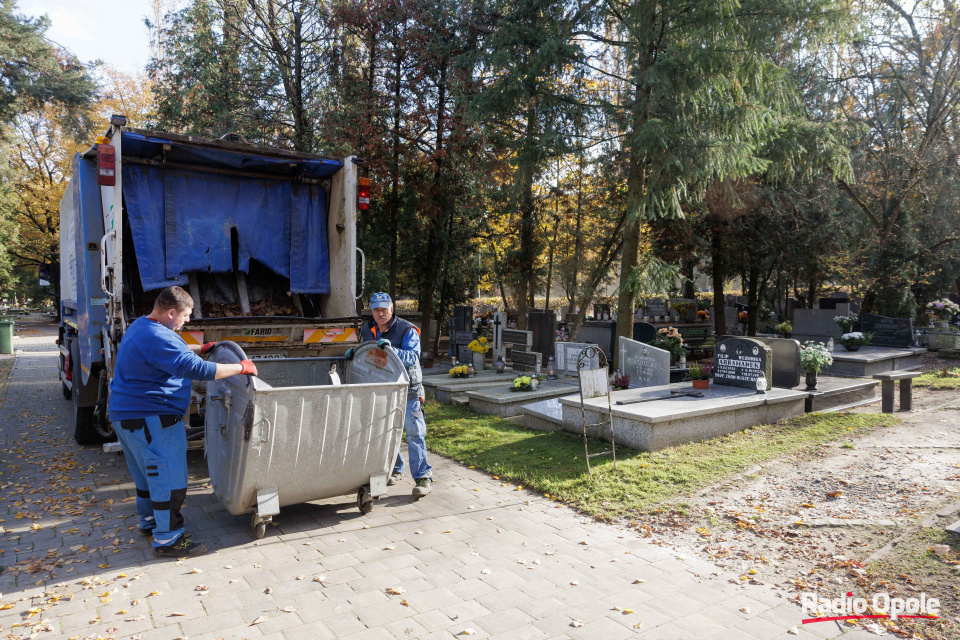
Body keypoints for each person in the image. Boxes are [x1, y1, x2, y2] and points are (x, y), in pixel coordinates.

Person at [108, 286, 258, 557]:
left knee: (146, 476)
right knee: (168, 478)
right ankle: (168, 540)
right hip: (152, 417)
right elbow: (196, 369)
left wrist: (200, 347)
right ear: (171, 312)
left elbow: (165, 351)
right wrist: (241, 367)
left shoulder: (142, 326)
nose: (187, 320)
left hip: (127, 416)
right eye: (186, 315)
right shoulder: (157, 336)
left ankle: (150, 522)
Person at [347, 292, 433, 497]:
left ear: (392, 309)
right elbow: (369, 353)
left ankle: (423, 478)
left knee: (414, 433)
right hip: (381, 389)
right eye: (376, 310)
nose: (380, 313)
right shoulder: (368, 328)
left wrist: (391, 349)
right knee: (384, 432)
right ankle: (396, 468)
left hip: (407, 389)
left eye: (384, 309)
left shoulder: (407, 330)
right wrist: (355, 353)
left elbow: (413, 357)